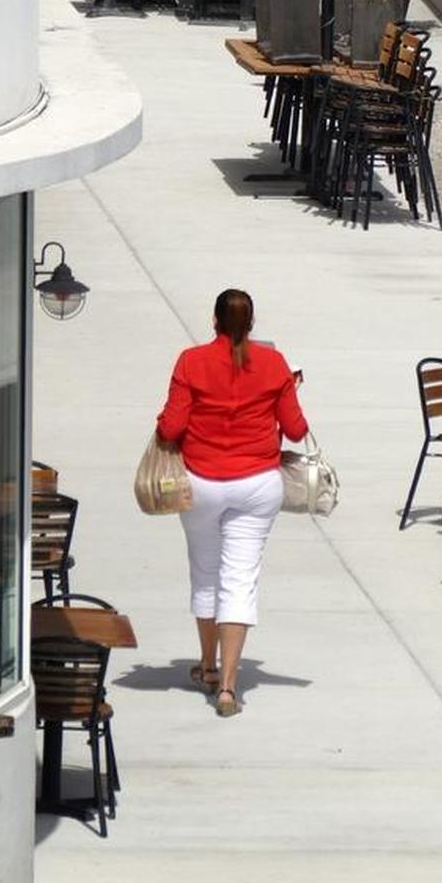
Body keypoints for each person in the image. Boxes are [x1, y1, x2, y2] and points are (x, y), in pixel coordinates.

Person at [155, 289, 308, 717]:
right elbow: (295, 430)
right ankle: (227, 688)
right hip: (257, 483)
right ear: (252, 323)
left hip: (202, 481)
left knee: (205, 572)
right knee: (240, 580)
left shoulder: (191, 361)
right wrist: (290, 389)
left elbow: (172, 427)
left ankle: (206, 665)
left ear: (214, 321)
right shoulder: (274, 365)